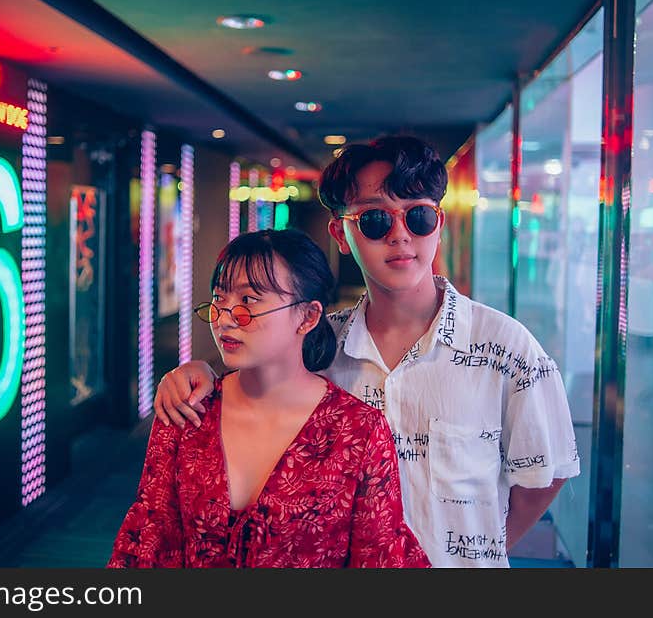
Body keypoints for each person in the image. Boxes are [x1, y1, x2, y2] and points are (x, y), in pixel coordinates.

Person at [153, 136, 581, 568]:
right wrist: (201, 373)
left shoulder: (506, 349)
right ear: (341, 233)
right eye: (376, 219)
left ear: (439, 223)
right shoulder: (318, 346)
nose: (400, 236)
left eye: (417, 217)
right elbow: (254, 377)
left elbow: (545, 473)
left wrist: (480, 549)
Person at [108, 229, 430, 568]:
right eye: (219, 299)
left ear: (308, 316)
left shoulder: (357, 432)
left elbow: (378, 556)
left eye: (248, 301)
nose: (226, 318)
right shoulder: (188, 412)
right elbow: (148, 542)